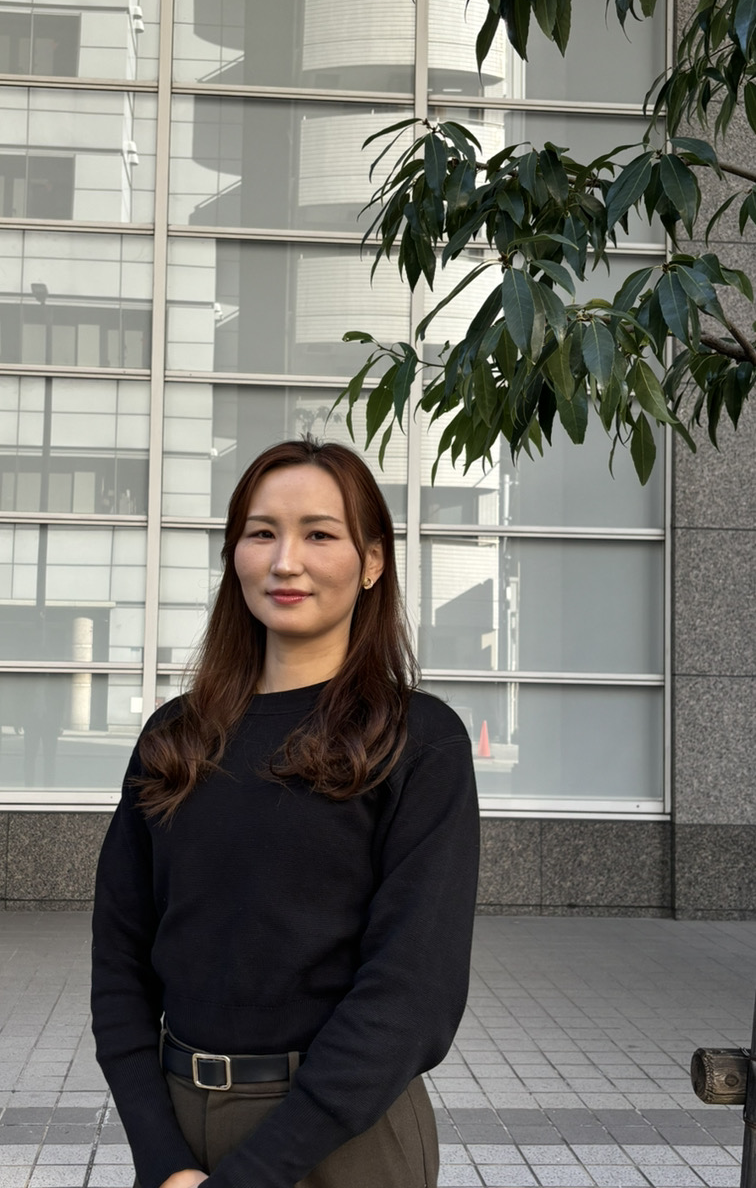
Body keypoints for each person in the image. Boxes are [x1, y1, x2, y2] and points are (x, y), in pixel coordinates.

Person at [91, 438, 480, 1188]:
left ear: (372, 562)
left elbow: (412, 992)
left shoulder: (418, 741)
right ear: (234, 553)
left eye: (320, 534)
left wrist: (256, 1173)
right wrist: (162, 1157)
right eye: (262, 532)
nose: (285, 561)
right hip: (177, 1131)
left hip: (343, 1136)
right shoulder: (176, 736)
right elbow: (119, 959)